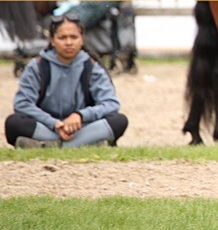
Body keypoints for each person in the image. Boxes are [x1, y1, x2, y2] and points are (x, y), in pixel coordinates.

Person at [5, 13, 128, 148]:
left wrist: (80, 116)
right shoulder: (37, 66)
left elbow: (111, 103)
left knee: (119, 120)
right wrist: (54, 123)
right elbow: (22, 104)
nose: (68, 42)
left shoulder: (92, 66)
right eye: (62, 37)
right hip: (47, 127)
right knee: (13, 123)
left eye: (74, 37)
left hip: (82, 127)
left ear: (81, 39)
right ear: (52, 40)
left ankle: (49, 145)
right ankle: (85, 144)